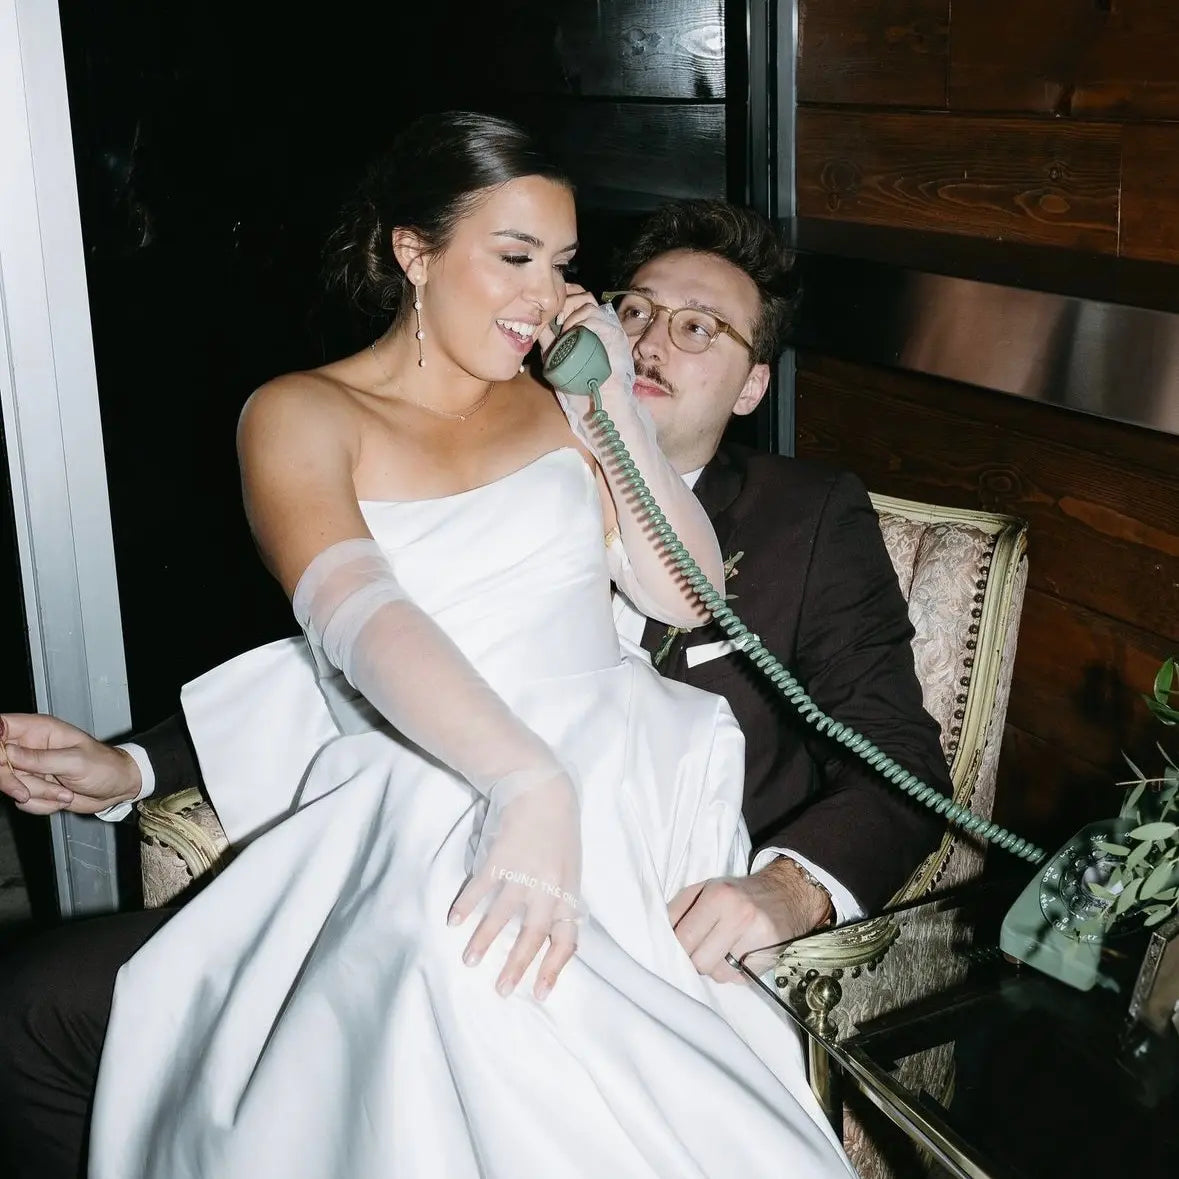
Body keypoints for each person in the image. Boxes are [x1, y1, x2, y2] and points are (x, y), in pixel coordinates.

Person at [0, 187, 948, 1174]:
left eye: (700, 328)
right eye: (635, 311)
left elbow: (900, 757)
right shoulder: (511, 437)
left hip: (639, 900)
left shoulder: (809, 518)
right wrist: (136, 768)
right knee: (36, 1005)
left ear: (753, 386)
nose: (654, 340)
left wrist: (788, 894)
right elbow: (366, 654)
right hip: (411, 837)